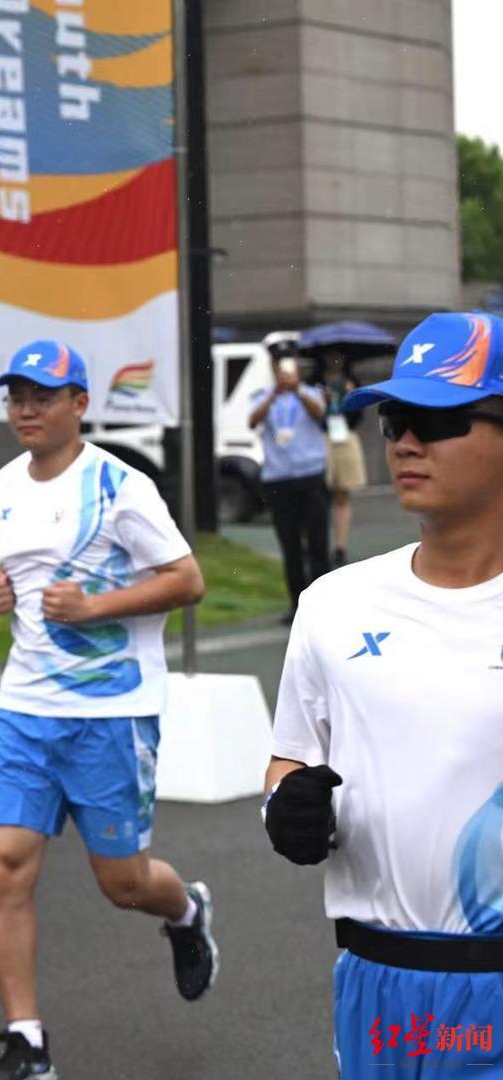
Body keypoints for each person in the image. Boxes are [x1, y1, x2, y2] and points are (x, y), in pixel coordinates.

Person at [264, 311, 503, 1078]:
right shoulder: (334, 605)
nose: (403, 441)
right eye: (394, 419)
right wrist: (287, 809)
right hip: (375, 982)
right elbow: (289, 763)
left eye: (435, 419)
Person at [0, 341, 214, 1079]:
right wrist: (5, 593)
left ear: (80, 404)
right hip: (24, 706)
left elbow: (188, 580)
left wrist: (95, 607)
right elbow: (30, 578)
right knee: (5, 868)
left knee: (124, 884)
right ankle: (27, 1042)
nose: (26, 408)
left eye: (43, 396)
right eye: (17, 395)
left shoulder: (122, 487)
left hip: (113, 713)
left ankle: (186, 912)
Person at [248, 341, 330, 620]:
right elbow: (252, 420)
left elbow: (320, 414)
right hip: (279, 479)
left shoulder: (311, 393)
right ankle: (297, 604)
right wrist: (274, 395)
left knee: (318, 542)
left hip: (310, 475)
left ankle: (323, 603)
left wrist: (296, 391)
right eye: (278, 365)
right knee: (290, 544)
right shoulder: (263, 396)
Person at [318, 348, 368, 568]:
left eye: (338, 356)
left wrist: (351, 396)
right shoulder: (315, 383)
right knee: (320, 493)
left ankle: (340, 546)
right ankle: (319, 544)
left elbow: (359, 416)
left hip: (345, 435)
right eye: (330, 356)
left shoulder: (351, 380)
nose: (334, 360)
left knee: (342, 492)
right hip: (323, 436)